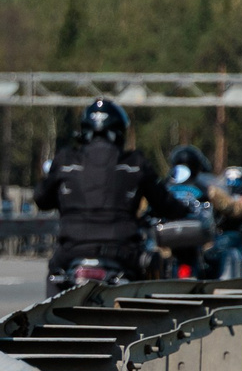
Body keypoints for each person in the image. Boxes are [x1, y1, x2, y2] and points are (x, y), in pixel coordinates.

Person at [33, 98, 183, 295]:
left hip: (72, 251)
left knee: (54, 283)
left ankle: (51, 323)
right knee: (152, 271)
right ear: (119, 131)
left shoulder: (65, 160)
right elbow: (165, 204)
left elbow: (41, 199)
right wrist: (186, 211)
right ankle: (148, 323)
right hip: (122, 253)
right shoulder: (135, 163)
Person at [207, 164, 242, 278]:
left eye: (237, 182)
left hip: (241, 235)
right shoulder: (219, 197)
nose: (233, 185)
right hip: (222, 234)